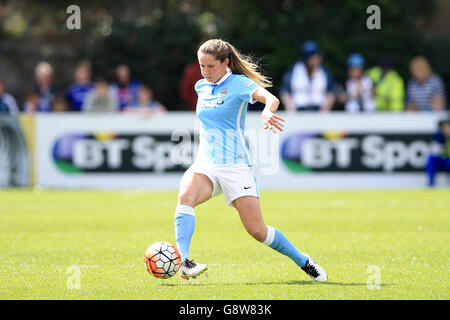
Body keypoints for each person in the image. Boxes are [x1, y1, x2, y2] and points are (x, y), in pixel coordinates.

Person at [174, 39, 327, 281]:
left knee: (258, 232)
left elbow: (271, 99)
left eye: (211, 66)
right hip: (207, 164)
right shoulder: (200, 87)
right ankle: (184, 262)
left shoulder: (239, 83)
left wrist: (267, 111)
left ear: (226, 63)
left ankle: (303, 260)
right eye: (202, 66)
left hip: (235, 166)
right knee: (185, 198)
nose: (205, 72)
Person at [280, 40, 335, 112]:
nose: (317, 58)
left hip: (319, 111)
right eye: (313, 56)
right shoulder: (293, 71)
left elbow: (331, 93)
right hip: (298, 110)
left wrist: (324, 111)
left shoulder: (325, 72)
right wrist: (291, 109)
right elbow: (285, 92)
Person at [426, 118, 450, 187]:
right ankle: (431, 184)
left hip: (448, 159)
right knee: (431, 159)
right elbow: (436, 149)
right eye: (445, 127)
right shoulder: (438, 136)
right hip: (442, 158)